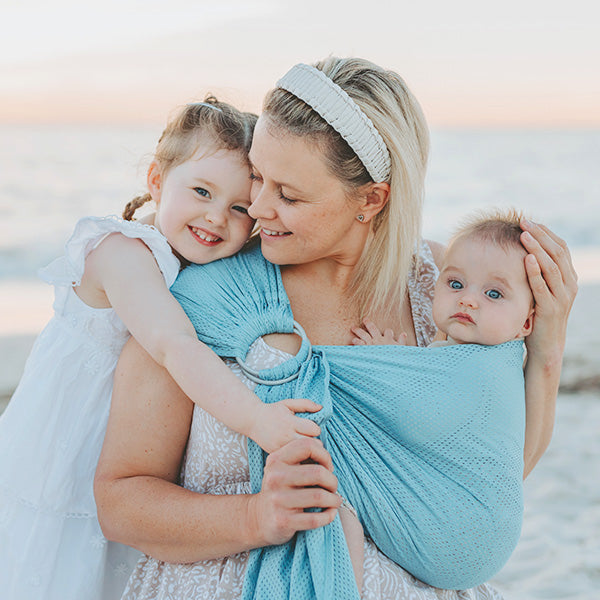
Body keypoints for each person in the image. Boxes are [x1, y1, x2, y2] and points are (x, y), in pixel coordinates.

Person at [95, 58, 578, 600]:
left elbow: (486, 482)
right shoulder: (206, 295)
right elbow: (121, 500)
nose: (256, 207)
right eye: (258, 174)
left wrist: (547, 347)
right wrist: (256, 517)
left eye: (289, 194)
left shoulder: (440, 289)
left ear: (370, 199)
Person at [0, 98, 322, 600]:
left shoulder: (198, 262)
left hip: (125, 444)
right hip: (64, 454)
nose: (216, 218)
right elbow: (175, 346)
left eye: (240, 208)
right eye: (201, 191)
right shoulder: (120, 251)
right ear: (155, 179)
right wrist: (259, 421)